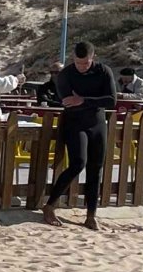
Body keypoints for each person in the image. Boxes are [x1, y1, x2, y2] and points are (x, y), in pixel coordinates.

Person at [42, 41, 116, 230]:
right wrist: (90, 101)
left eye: (86, 63)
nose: (82, 67)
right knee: (78, 163)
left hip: (97, 123)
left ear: (93, 58)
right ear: (73, 59)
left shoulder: (103, 71)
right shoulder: (66, 74)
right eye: (78, 62)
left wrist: (82, 100)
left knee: (96, 168)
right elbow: (67, 101)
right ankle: (50, 205)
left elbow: (111, 100)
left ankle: (91, 214)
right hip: (74, 123)